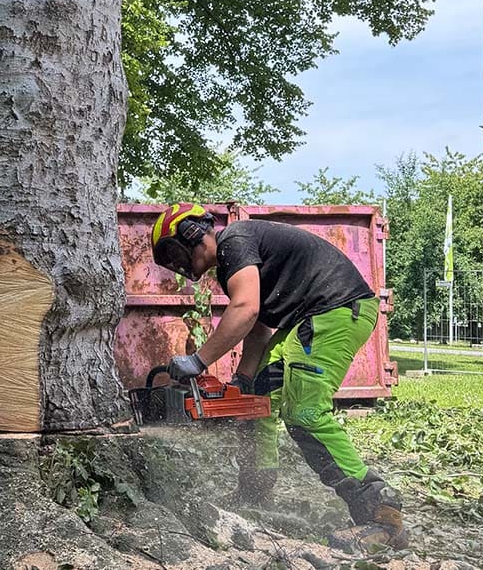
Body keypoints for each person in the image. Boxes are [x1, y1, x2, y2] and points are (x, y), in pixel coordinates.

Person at [150, 203, 407, 550]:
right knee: (257, 399)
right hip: (307, 318)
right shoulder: (232, 265)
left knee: (304, 414)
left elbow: (245, 310)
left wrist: (198, 361)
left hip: (334, 310)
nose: (175, 263)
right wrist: (242, 381)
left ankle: (381, 516)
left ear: (192, 233)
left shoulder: (234, 241)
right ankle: (256, 490)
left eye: (172, 252)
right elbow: (257, 328)